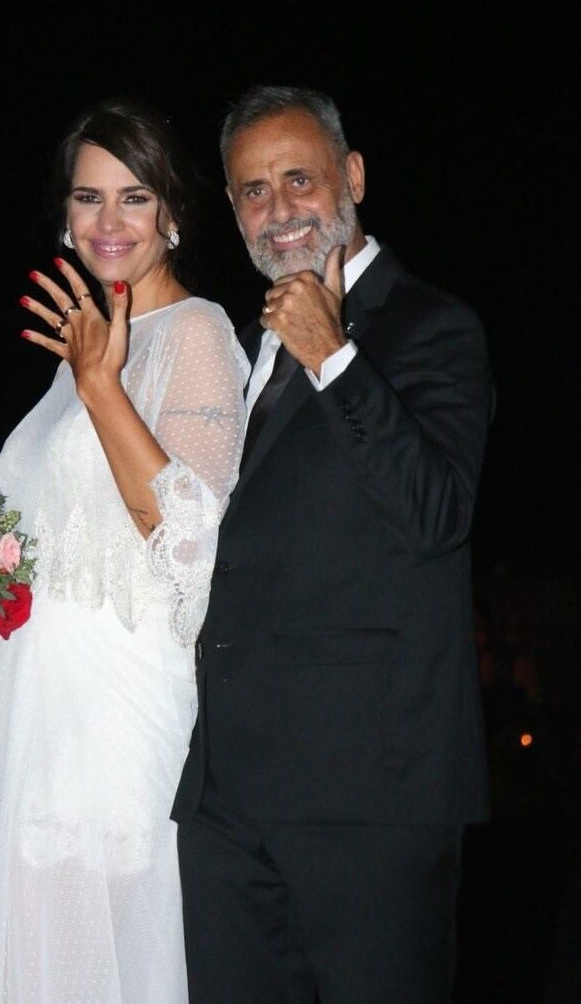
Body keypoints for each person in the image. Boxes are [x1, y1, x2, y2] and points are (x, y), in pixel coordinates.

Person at [173, 85, 495, 1003]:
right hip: (224, 799)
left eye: (299, 179)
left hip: (370, 797)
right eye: (252, 191)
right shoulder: (239, 345)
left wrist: (335, 360)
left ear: (351, 178)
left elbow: (437, 514)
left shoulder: (432, 327)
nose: (279, 211)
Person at [0, 97, 249, 1003]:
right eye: (87, 197)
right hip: (26, 717)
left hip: (111, 720)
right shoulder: (80, 354)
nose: (108, 222)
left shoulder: (197, 336)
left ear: (173, 213)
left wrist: (102, 387)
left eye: (133, 198)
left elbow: (192, 548)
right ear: (64, 215)